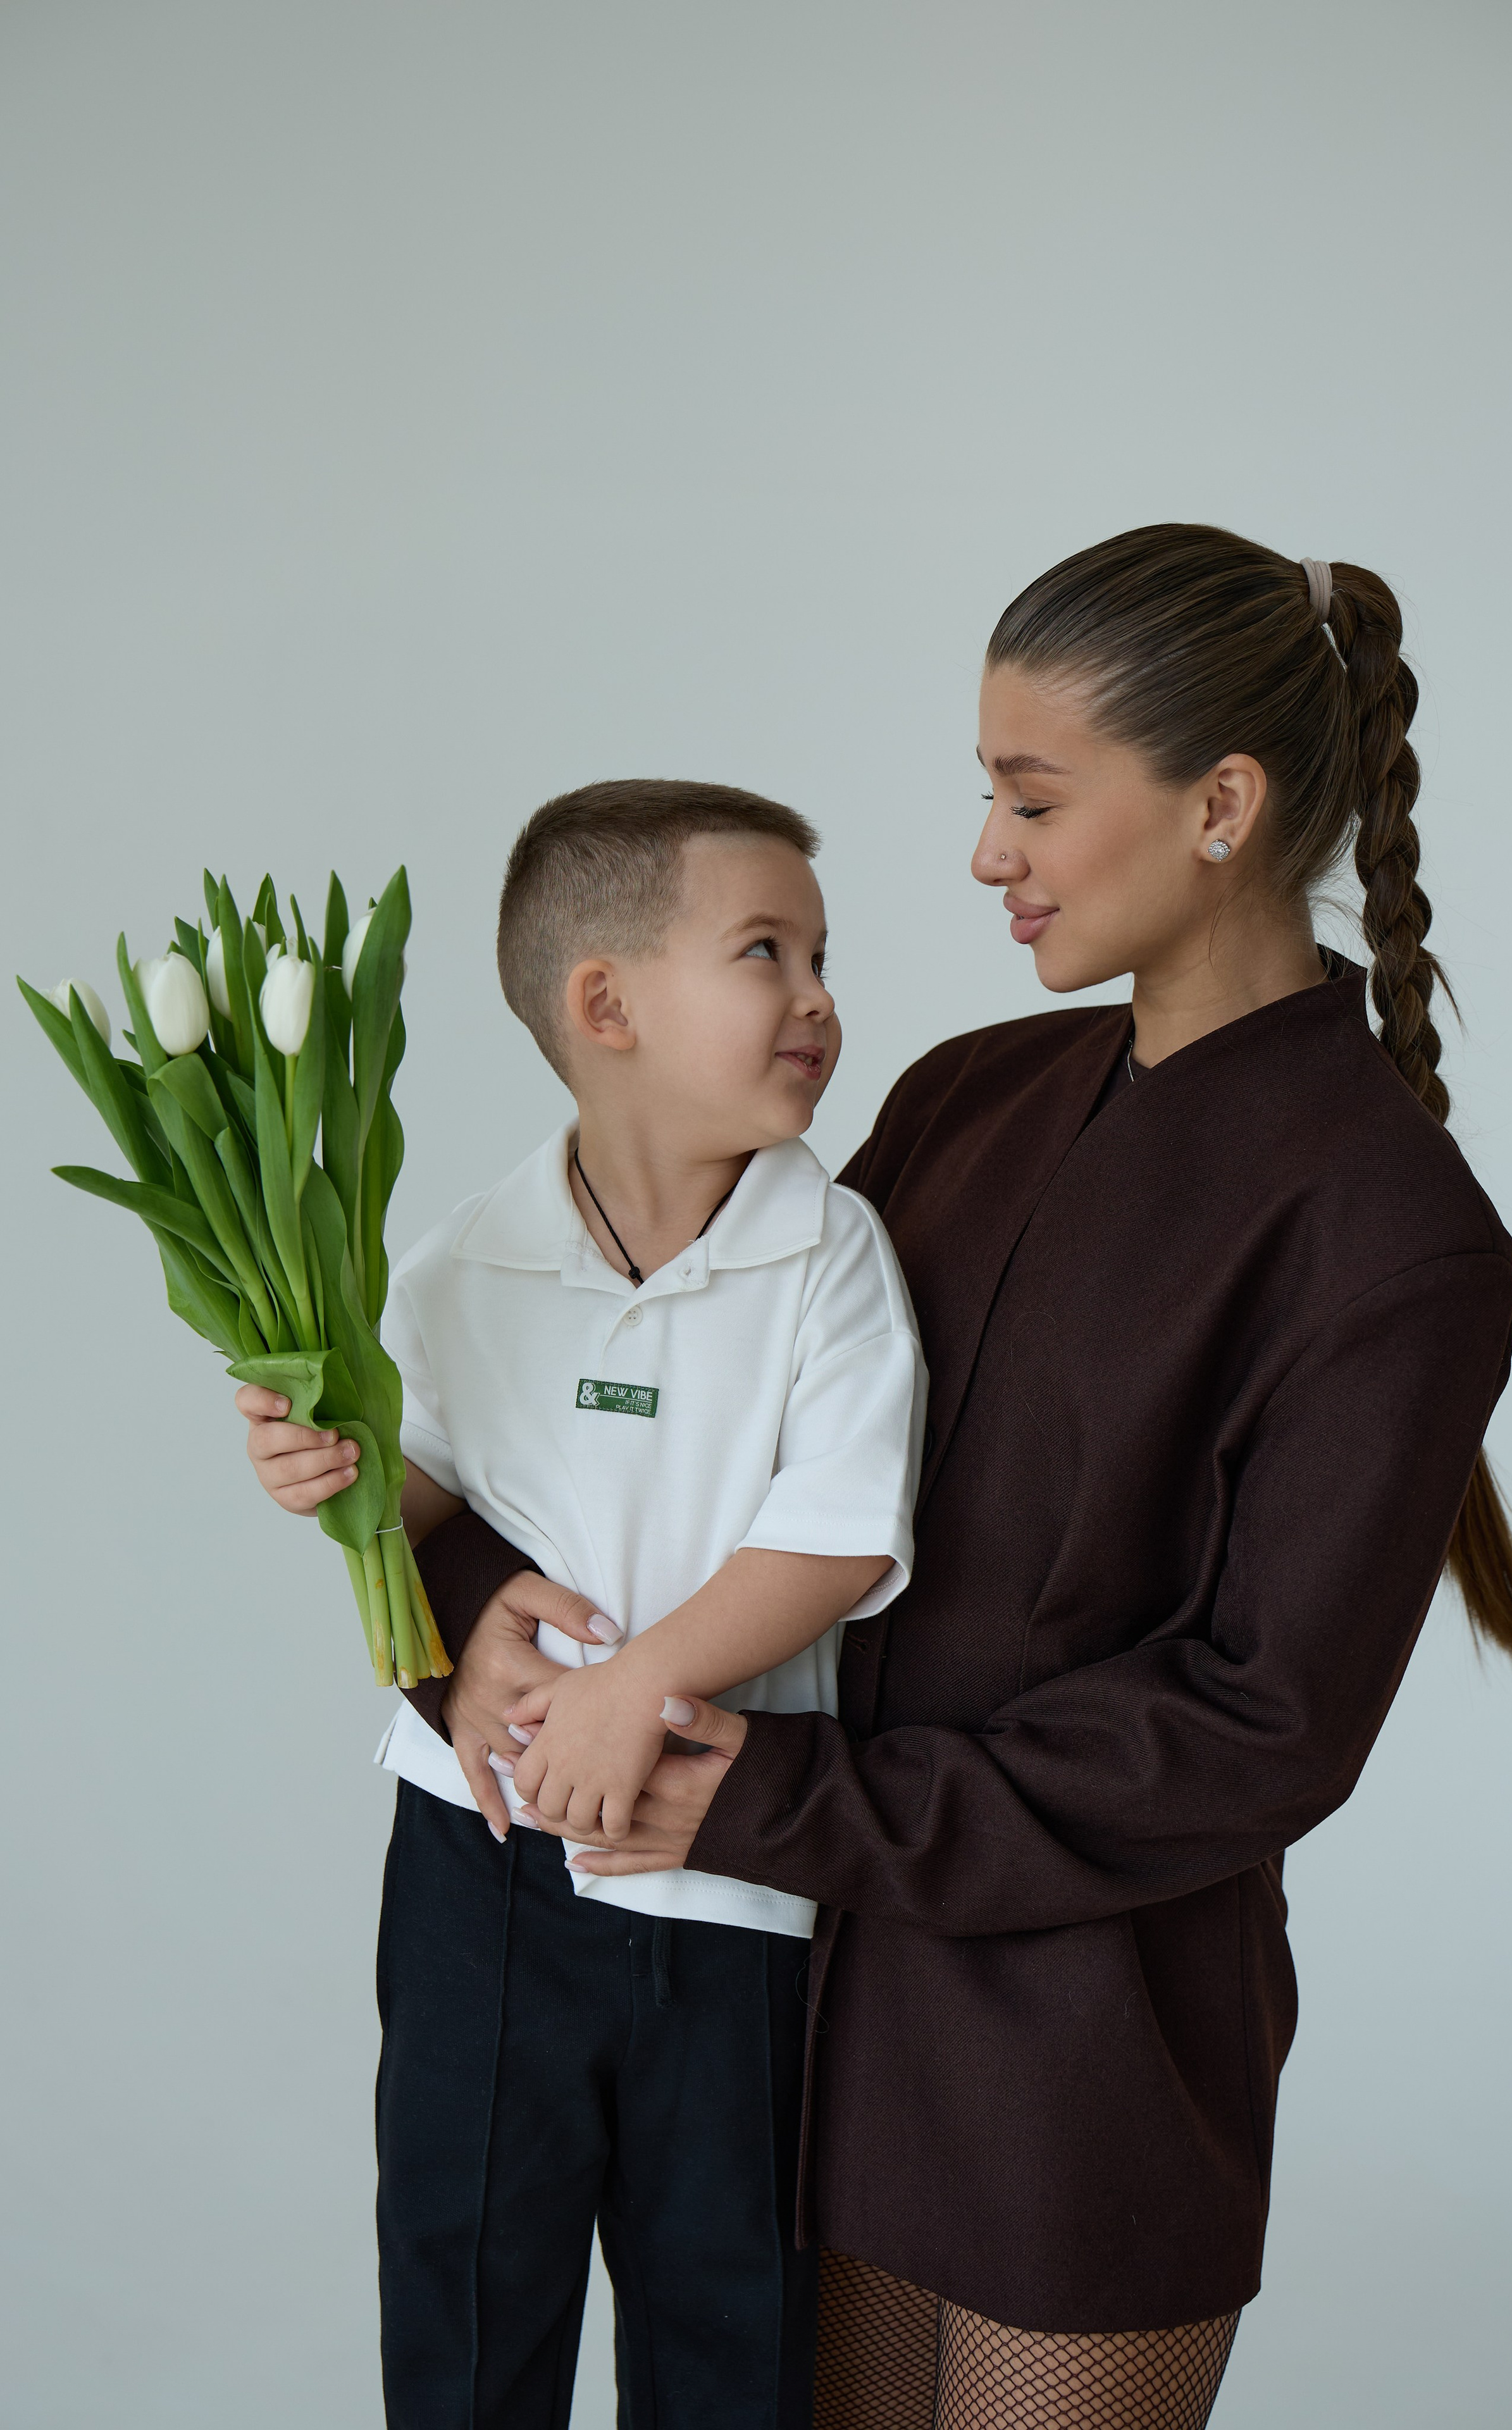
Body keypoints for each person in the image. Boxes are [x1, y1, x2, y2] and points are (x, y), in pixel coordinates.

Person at [423, 527, 1512, 2429]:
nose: (983, 852)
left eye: (1032, 796)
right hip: (805, 2013)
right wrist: (450, 1588)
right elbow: (710, 1423)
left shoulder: (1396, 1232)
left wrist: (774, 1792)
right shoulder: (968, 1094)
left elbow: (1255, 1732)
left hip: (1091, 2067)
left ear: (1224, 805)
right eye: (986, 795)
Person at [235, 779, 926, 2430]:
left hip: (729, 1896)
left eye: (824, 953)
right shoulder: (471, 1259)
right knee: (467, 2298)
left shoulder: (831, 1254)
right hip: (478, 1875)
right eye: (768, 950)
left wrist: (649, 1681)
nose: (820, 996)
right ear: (604, 1005)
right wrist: (325, 1462)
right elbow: (425, 1502)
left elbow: (836, 1536)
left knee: (729, 2328)